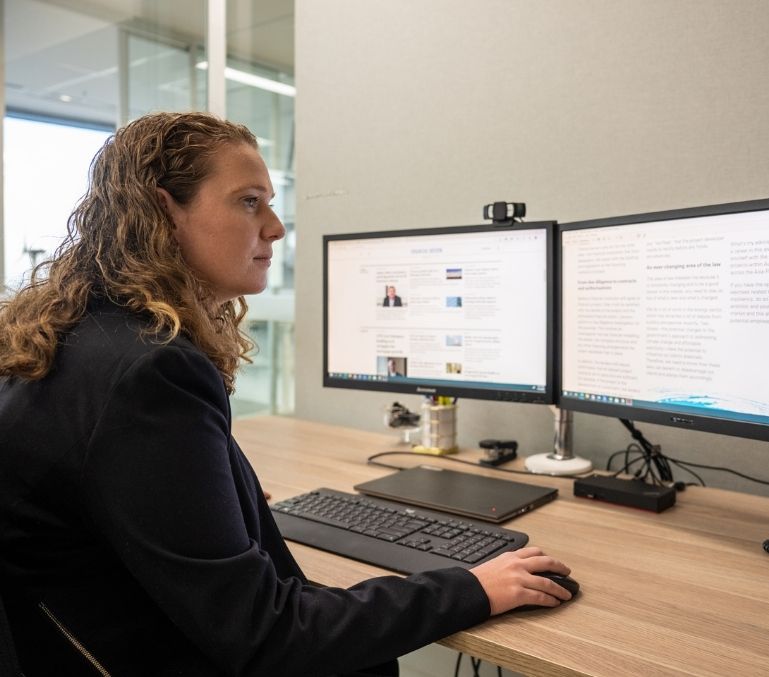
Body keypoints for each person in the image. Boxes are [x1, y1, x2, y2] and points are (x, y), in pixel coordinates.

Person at [0, 112, 572, 676]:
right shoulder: (152, 370)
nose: (275, 227)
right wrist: (473, 586)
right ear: (161, 210)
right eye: (249, 201)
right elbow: (268, 635)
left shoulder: (70, 334)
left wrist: (217, 500)